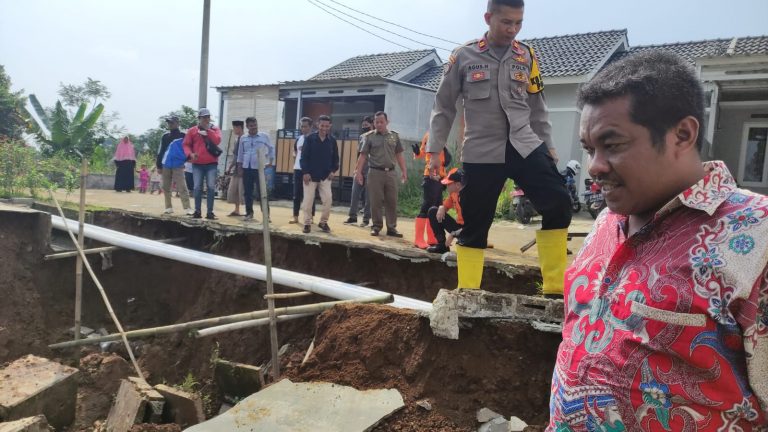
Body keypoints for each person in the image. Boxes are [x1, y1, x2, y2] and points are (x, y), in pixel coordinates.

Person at [548, 50, 768, 431]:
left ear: (682, 134)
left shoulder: (756, 235)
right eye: (589, 149)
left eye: (612, 145)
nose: (594, 166)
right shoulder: (604, 224)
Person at [426, 0, 571, 295]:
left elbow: (537, 106)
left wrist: (550, 145)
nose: (513, 29)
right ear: (488, 18)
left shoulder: (526, 55)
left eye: (519, 23)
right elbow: (443, 107)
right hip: (482, 151)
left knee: (559, 202)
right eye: (506, 22)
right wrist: (434, 151)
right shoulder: (463, 56)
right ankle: (468, 292)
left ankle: (554, 289)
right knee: (475, 224)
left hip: (525, 144)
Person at [355, 111, 407, 237]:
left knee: (392, 201)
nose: (379, 124)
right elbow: (362, 156)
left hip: (391, 173)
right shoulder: (369, 137)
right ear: (374, 123)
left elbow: (399, 154)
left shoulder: (394, 136)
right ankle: (376, 226)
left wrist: (404, 171)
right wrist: (358, 172)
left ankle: (391, 228)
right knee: (375, 201)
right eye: (376, 122)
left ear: (387, 122)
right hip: (375, 173)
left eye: (381, 122)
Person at [300, 115, 339, 234]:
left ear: (330, 126)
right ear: (318, 125)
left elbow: (336, 159)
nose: (324, 128)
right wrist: (305, 172)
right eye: (322, 125)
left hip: (325, 176)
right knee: (307, 202)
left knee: (328, 200)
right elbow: (304, 157)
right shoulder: (310, 139)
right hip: (310, 176)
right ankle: (307, 223)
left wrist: (333, 171)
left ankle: (323, 222)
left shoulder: (332, 141)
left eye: (327, 126)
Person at [413, 131, 451, 248]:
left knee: (435, 207)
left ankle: (431, 237)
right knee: (427, 206)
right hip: (431, 176)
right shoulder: (430, 135)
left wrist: (444, 178)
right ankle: (418, 239)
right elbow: (423, 152)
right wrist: (418, 153)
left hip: (440, 178)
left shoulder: (441, 135)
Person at [183, 108, 222, 220]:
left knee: (210, 187)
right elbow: (186, 144)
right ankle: (197, 211)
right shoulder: (192, 131)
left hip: (212, 164)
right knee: (197, 187)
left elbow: (217, 141)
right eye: (203, 117)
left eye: (207, 117)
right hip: (198, 164)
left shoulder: (215, 129)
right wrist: (190, 154)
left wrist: (208, 131)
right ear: (199, 118)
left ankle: (210, 212)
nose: (206, 119)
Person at [237, 117, 274, 222]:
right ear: (247, 126)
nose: (253, 127)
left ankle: (266, 215)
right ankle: (249, 213)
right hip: (246, 168)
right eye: (251, 125)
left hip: (259, 169)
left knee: (262, 192)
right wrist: (240, 166)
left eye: (255, 125)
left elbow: (271, 148)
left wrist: (270, 161)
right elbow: (240, 153)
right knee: (248, 192)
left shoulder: (264, 136)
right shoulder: (243, 138)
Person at [427, 168, 465, 254]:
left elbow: (472, 225)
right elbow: (446, 205)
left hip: (469, 231)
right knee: (433, 211)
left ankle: (466, 242)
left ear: (458, 185)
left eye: (449, 184)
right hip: (459, 227)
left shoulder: (469, 198)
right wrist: (442, 207)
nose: (446, 186)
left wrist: (453, 234)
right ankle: (442, 246)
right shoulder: (454, 193)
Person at [344, 116, 373, 226]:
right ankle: (352, 217)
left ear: (372, 125)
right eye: (363, 125)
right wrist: (357, 169)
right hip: (361, 168)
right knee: (354, 193)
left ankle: (366, 219)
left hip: (371, 169)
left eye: (367, 125)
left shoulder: (375, 137)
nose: (365, 127)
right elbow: (359, 155)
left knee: (368, 196)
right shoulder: (361, 137)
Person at [159, 136, 192, 215]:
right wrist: (159, 166)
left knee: (182, 186)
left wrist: (185, 159)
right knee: (166, 186)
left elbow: (189, 156)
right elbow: (166, 153)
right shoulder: (176, 142)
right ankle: (168, 207)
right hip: (166, 164)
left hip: (178, 165)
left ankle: (187, 208)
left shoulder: (191, 144)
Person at [226, 120, 245, 216]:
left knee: (241, 190)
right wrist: (231, 167)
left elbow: (236, 156)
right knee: (235, 190)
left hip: (242, 168)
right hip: (237, 168)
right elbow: (235, 156)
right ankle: (237, 209)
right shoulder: (238, 139)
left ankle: (247, 211)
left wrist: (229, 167)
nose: (233, 130)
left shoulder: (243, 139)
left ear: (238, 128)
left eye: (234, 128)